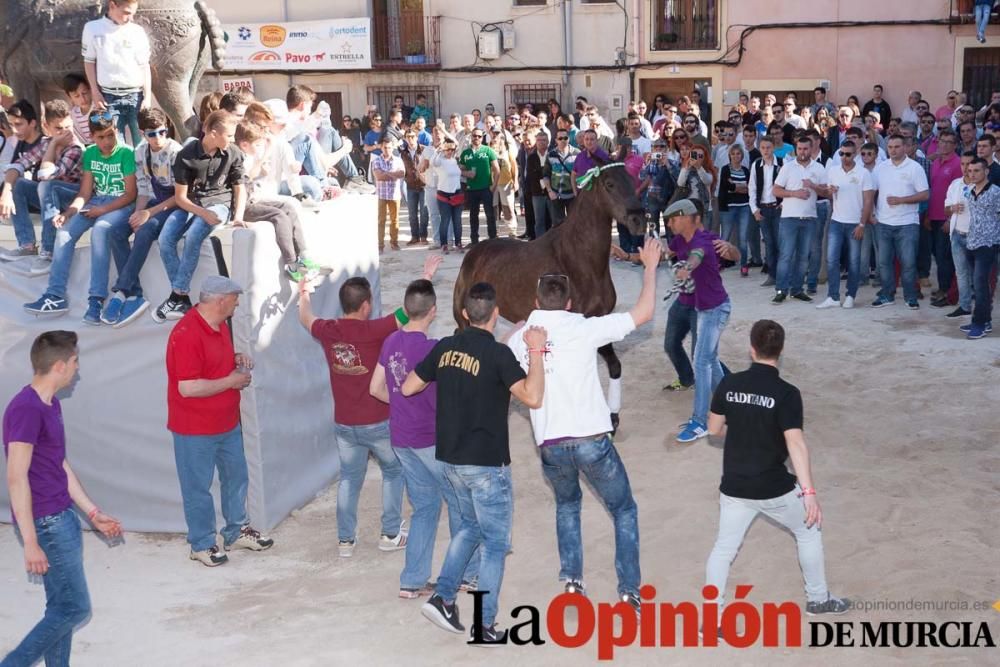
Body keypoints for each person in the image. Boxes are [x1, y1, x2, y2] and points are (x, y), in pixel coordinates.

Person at [505, 237, 661, 614]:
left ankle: (573, 581)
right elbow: (642, 313)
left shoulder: (518, 340)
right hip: (592, 439)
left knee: (567, 506)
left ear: (538, 301)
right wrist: (651, 269)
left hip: (551, 445)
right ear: (570, 302)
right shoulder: (585, 328)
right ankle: (629, 592)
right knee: (623, 509)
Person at [405, 283, 547, 644]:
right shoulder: (499, 355)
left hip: (450, 460)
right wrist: (535, 352)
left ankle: (443, 597)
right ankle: (485, 624)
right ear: (495, 315)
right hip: (486, 464)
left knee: (469, 527)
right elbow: (532, 397)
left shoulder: (444, 347)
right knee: (496, 544)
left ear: (465, 314)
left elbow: (408, 388)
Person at [705, 320, 849, 626]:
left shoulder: (729, 384)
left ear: (751, 348)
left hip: (734, 486)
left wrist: (742, 419)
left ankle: (711, 618)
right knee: (808, 531)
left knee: (723, 549)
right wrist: (809, 493)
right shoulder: (787, 393)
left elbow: (713, 430)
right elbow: (795, 442)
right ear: (780, 351)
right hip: (773, 487)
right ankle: (818, 599)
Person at [299, 256, 442, 558]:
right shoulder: (376, 330)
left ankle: (345, 541)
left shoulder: (328, 330)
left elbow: (305, 318)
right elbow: (411, 312)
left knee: (349, 478)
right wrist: (426, 275)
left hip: (344, 423)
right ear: (366, 305)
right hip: (377, 421)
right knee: (393, 473)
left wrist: (303, 292)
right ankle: (390, 533)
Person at [2, 330, 124, 666]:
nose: (77, 369)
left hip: (62, 516)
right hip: (47, 523)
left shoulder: (49, 403)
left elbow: (58, 464)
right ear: (59, 366)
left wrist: (92, 512)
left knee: (60, 608)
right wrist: (30, 542)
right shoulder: (26, 409)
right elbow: (16, 478)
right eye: (74, 362)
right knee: (75, 608)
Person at [369, 279, 479, 599]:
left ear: (405, 311)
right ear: (434, 312)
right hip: (433, 440)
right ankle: (466, 575)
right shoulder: (435, 350)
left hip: (401, 439)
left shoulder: (390, 342)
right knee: (462, 506)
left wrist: (401, 404)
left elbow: (376, 389)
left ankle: (412, 580)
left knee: (425, 507)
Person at [166, 276, 273, 566]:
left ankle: (236, 530)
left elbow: (211, 364)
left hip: (226, 423)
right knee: (197, 488)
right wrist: (231, 380)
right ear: (221, 300)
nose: (237, 304)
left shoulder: (219, 324)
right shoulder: (186, 333)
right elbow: (187, 387)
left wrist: (234, 357)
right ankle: (201, 544)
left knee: (236, 478)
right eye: (235, 299)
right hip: (194, 429)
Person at [23, 112, 137, 323]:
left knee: (100, 230)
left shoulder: (127, 153)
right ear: (92, 137)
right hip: (96, 202)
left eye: (110, 135)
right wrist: (68, 213)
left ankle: (96, 299)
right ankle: (55, 295)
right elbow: (84, 194)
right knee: (64, 233)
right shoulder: (91, 153)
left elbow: (130, 194)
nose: (106, 141)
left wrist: (101, 211)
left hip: (121, 204)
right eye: (100, 137)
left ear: (117, 132)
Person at [153, 110, 245, 321]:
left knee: (194, 235)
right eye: (229, 135)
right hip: (192, 205)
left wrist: (237, 216)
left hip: (220, 205)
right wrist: (202, 212)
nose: (232, 140)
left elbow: (240, 188)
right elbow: (180, 198)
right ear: (213, 133)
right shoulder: (186, 156)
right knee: (165, 238)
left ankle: (176, 294)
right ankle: (182, 298)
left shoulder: (233, 153)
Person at [103, 107, 187, 327]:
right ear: (142, 133)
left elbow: (181, 197)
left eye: (162, 132)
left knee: (147, 230)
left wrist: (148, 214)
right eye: (152, 134)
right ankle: (135, 293)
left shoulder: (177, 152)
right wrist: (138, 215)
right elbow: (143, 189)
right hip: (153, 201)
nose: (158, 138)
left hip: (176, 205)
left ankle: (121, 291)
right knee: (117, 231)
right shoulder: (140, 151)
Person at [666, 199, 733, 444]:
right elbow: (669, 252)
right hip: (704, 308)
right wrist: (631, 253)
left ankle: (700, 421)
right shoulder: (680, 240)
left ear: (687, 217)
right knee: (710, 361)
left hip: (715, 309)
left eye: (673, 219)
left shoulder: (703, 240)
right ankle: (733, 404)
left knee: (702, 361)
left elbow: (697, 255)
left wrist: (687, 268)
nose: (670, 224)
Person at [1, 101, 83, 273]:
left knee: (47, 185)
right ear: (47, 127)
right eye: (59, 128)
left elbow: (47, 175)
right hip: (51, 200)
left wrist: (53, 145)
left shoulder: (75, 148)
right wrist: (7, 192)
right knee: (20, 183)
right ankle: (27, 245)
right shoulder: (46, 142)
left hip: (74, 199)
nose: (66, 133)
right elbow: (17, 165)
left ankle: (48, 251)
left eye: (69, 127)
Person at [235, 120, 319, 282]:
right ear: (245, 145)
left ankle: (303, 253)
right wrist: (264, 157)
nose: (260, 148)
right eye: (257, 145)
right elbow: (247, 177)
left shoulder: (250, 156)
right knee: (278, 215)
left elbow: (257, 173)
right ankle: (291, 263)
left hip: (255, 199)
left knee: (288, 207)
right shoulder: (239, 159)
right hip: (245, 206)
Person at [871, 135, 930, 309]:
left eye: (897, 146)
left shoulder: (915, 168)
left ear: (905, 147)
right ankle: (887, 295)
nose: (893, 150)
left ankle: (910, 296)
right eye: (890, 147)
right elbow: (871, 192)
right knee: (883, 262)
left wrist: (902, 200)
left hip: (907, 224)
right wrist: (872, 214)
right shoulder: (880, 168)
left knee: (909, 262)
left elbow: (925, 194)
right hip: (884, 223)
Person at [82, 0, 152, 146]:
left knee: (141, 143)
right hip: (109, 98)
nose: (130, 18)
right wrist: (95, 92)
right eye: (126, 13)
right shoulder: (92, 29)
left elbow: (144, 66)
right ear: (113, 5)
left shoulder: (137, 31)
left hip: (135, 97)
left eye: (133, 14)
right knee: (115, 145)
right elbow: (89, 62)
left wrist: (148, 97)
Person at [817, 141, 875, 309]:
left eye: (848, 154)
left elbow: (868, 200)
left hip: (854, 223)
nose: (844, 157)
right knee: (831, 259)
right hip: (836, 220)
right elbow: (827, 194)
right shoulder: (833, 171)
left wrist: (862, 224)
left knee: (854, 261)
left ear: (855, 154)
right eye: (842, 154)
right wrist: (829, 192)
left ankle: (850, 295)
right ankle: (833, 297)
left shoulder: (864, 173)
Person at [771, 136, 828, 304]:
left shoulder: (818, 168)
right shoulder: (788, 168)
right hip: (789, 218)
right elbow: (775, 190)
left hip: (810, 218)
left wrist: (813, 186)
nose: (802, 152)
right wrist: (794, 193)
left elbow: (826, 193)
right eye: (800, 148)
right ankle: (781, 290)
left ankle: (797, 290)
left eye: (805, 149)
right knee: (786, 256)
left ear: (811, 149)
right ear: (796, 148)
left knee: (803, 257)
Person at [958, 157, 1000, 338]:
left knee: (982, 284)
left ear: (986, 171)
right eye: (970, 171)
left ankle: (979, 323)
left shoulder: (996, 192)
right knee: (978, 284)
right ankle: (986, 320)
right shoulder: (969, 190)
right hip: (972, 241)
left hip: (988, 244)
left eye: (976, 170)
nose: (972, 174)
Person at [927, 131, 963, 307]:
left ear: (955, 145)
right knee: (938, 255)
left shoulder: (957, 164)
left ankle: (947, 292)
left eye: (949, 142)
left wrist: (950, 220)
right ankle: (943, 287)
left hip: (947, 218)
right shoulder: (935, 162)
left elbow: (959, 195)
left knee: (944, 257)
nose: (945, 145)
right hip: (934, 215)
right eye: (942, 141)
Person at [942, 151, 977, 319]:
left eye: (969, 164)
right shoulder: (955, 184)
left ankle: (982, 307)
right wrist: (952, 209)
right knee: (961, 272)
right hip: (957, 235)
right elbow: (945, 209)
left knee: (979, 274)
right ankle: (964, 306)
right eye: (962, 164)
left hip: (975, 236)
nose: (965, 168)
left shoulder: (984, 186)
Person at [748, 136, 784, 287]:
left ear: (773, 148)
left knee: (779, 243)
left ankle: (783, 275)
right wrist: (755, 209)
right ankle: (772, 275)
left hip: (777, 209)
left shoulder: (782, 164)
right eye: (762, 147)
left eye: (768, 147)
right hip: (763, 209)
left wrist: (785, 203)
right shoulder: (756, 165)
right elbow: (752, 188)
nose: (766, 151)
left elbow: (788, 184)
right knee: (769, 243)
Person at [459, 128, 500, 244]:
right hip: (472, 189)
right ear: (471, 137)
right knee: (473, 215)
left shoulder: (488, 151)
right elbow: (460, 169)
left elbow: (497, 169)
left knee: (490, 214)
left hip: (486, 187)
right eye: (474, 136)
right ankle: (474, 240)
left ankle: (493, 239)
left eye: (479, 136)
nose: (476, 138)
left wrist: (494, 185)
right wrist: (467, 173)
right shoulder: (465, 153)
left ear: (482, 137)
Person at [718, 144, 752, 276]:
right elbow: (726, 186)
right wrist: (739, 187)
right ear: (729, 156)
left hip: (744, 206)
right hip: (729, 206)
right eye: (733, 154)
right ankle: (719, 261)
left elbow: (749, 187)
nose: (736, 156)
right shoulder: (726, 169)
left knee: (743, 237)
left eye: (738, 154)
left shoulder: (746, 170)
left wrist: (735, 186)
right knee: (725, 236)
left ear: (742, 156)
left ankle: (744, 265)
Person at [431, 136, 464, 253]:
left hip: (457, 193)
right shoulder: (440, 161)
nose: (449, 151)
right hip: (444, 194)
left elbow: (457, 144)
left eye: (451, 150)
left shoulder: (455, 161)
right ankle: (444, 244)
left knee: (457, 220)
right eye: (447, 149)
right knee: (445, 220)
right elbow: (433, 162)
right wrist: (439, 149)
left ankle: (458, 243)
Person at [543, 127, 578, 226]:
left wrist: (577, 191)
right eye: (560, 138)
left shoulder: (577, 153)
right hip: (556, 194)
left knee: (573, 223)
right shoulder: (551, 155)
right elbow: (546, 175)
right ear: (556, 140)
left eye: (565, 138)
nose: (563, 140)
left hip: (572, 195)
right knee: (558, 225)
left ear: (569, 139)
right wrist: (550, 191)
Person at [400, 129, 430, 245]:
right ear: (405, 138)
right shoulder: (403, 152)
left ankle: (423, 236)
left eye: (413, 136)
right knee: (412, 213)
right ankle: (414, 236)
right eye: (408, 137)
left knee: (424, 213)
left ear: (417, 137)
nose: (411, 139)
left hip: (423, 185)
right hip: (410, 185)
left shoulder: (424, 149)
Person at [61, 73, 93, 144]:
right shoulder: (73, 115)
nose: (82, 99)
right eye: (76, 96)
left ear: (90, 90)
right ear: (70, 97)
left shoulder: (97, 108)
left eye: (84, 93)